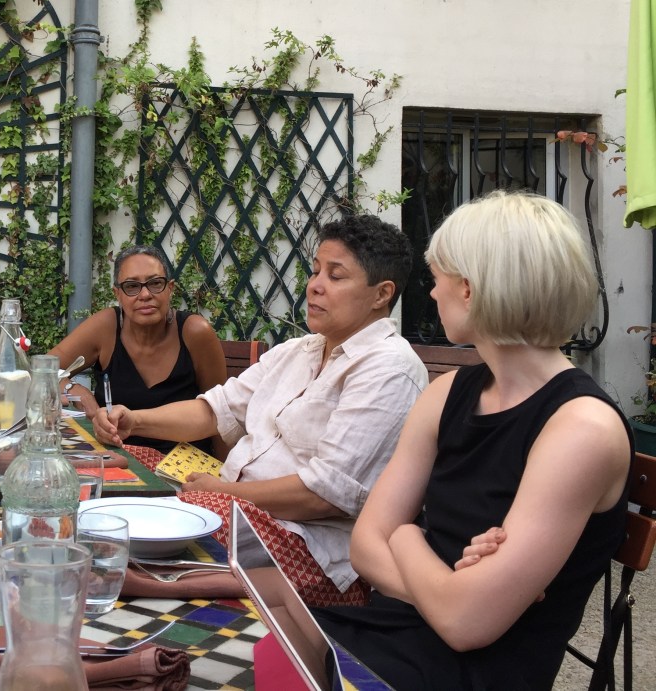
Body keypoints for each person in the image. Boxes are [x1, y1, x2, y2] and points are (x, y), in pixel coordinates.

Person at [313, 192, 632, 690]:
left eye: (437, 279)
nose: (431, 294)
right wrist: (447, 589)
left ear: (469, 289)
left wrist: (406, 537)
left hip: (470, 674)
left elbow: (466, 625)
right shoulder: (447, 394)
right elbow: (365, 547)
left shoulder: (582, 429)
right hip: (387, 634)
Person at [93, 213, 428, 606]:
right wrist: (135, 420)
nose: (314, 285)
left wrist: (224, 491)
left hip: (304, 542)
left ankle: (136, 582)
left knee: (153, 514)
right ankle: (127, 570)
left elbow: (323, 495)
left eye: (335, 276)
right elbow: (215, 412)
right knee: (118, 464)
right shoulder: (299, 350)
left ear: (381, 294)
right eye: (315, 271)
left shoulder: (388, 369)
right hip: (234, 500)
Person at [49, 244, 227, 455]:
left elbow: (222, 414)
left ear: (170, 288)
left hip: (187, 466)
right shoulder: (106, 327)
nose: (145, 294)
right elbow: (41, 370)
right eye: (132, 286)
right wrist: (74, 389)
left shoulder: (195, 332)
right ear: (117, 293)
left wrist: (227, 472)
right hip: (118, 460)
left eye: (155, 283)